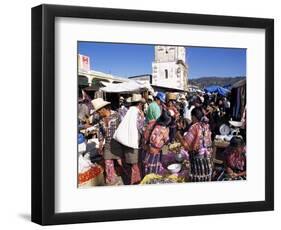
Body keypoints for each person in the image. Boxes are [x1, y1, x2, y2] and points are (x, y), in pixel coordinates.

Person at [113, 94, 145, 185]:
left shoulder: (128, 111)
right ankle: (135, 183)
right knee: (135, 166)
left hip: (125, 142)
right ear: (139, 104)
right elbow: (141, 128)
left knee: (128, 164)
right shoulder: (138, 113)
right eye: (141, 104)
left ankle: (128, 180)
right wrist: (142, 118)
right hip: (134, 143)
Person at [176, 107, 213, 182]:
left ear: (193, 116)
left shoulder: (194, 127)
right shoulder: (206, 126)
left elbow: (186, 145)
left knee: (197, 179)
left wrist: (178, 136)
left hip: (197, 160)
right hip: (207, 159)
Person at [92, 98, 122, 185]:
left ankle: (128, 177)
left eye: (99, 111)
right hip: (108, 144)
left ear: (104, 108)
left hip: (117, 143)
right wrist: (101, 142)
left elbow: (122, 128)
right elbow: (100, 131)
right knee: (107, 163)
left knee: (121, 162)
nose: (98, 113)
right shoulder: (100, 119)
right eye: (97, 111)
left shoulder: (116, 115)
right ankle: (111, 181)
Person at [142, 110, 171, 175]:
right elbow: (165, 141)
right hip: (154, 153)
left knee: (145, 169)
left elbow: (145, 135)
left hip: (145, 150)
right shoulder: (163, 130)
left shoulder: (152, 122)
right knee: (152, 172)